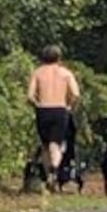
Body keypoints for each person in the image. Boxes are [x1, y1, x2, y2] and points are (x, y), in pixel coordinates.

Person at [27, 44, 80, 192]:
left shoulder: (37, 73)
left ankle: (47, 174)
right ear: (59, 57)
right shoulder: (66, 73)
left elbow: (30, 96)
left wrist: (37, 104)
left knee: (45, 145)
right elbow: (76, 94)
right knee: (56, 144)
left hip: (43, 110)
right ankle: (54, 170)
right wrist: (69, 106)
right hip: (60, 110)